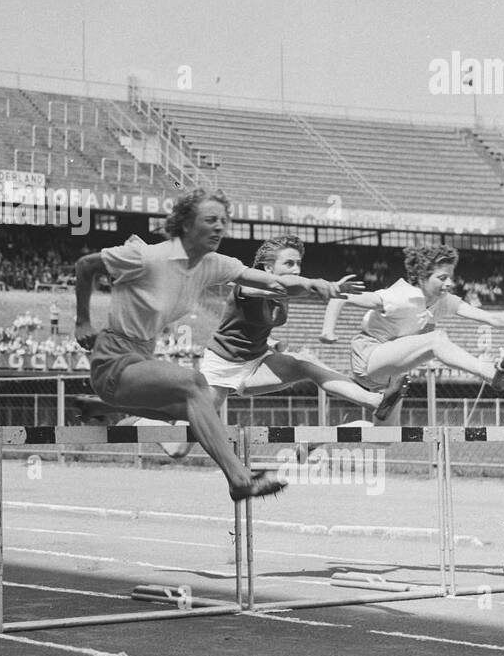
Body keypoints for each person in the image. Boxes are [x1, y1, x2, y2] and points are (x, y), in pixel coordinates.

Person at [74, 188, 357, 502]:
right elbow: (86, 265)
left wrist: (314, 284)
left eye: (224, 220)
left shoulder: (212, 264)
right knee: (194, 383)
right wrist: (83, 322)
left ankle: (105, 407)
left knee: (200, 415)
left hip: (139, 360)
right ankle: (239, 478)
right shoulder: (149, 257)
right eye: (210, 220)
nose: (220, 227)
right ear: (186, 224)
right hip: (113, 359)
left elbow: (275, 283)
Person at [200, 235, 409, 424]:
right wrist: (319, 284)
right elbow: (277, 288)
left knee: (306, 362)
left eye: (298, 263)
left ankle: (375, 401)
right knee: (179, 447)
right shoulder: (246, 286)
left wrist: (270, 342)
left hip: (255, 363)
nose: (296, 270)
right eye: (289, 263)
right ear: (267, 269)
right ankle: (168, 418)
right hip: (221, 365)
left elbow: (253, 322)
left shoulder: (287, 293)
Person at [324, 244, 504, 398]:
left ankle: (313, 444)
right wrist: (328, 330)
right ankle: (492, 374)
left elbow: (491, 317)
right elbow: (341, 295)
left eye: (450, 277)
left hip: (390, 370)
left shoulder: (445, 301)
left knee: (382, 437)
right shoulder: (400, 296)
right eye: (441, 278)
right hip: (368, 356)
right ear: (421, 277)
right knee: (436, 338)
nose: (449, 283)